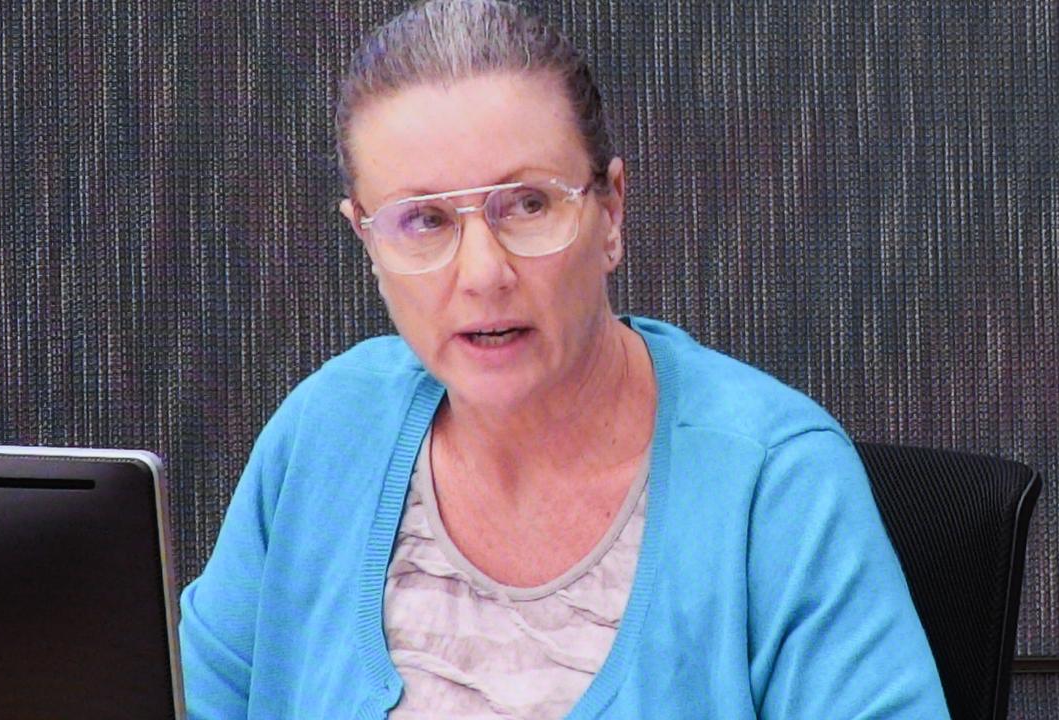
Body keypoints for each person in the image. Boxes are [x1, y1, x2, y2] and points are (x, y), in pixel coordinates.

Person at [178, 1, 950, 717]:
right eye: (424, 221)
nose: (483, 273)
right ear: (368, 244)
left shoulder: (777, 482)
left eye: (529, 204)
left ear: (610, 213)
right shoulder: (326, 431)